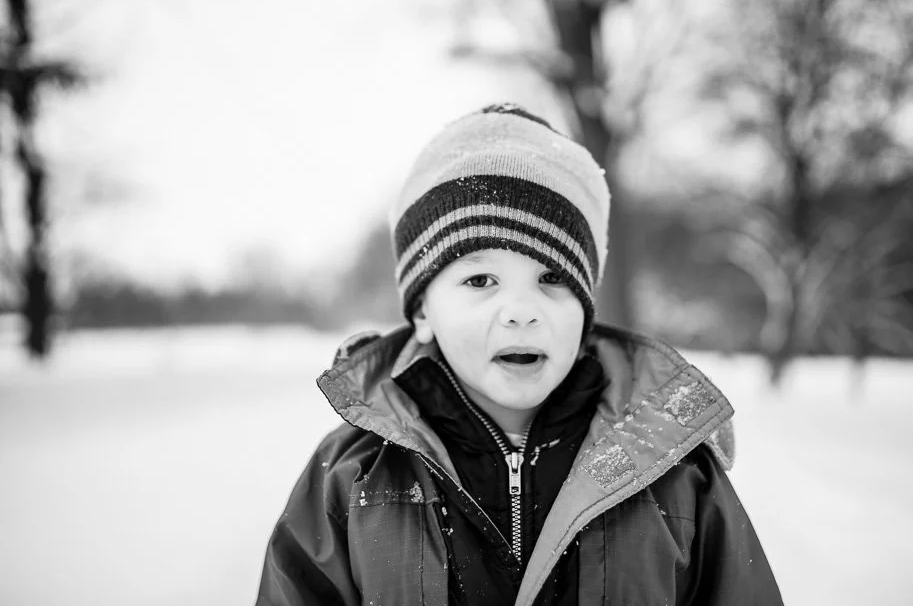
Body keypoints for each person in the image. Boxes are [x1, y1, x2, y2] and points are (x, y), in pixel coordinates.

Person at [256, 103, 783, 606]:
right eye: (480, 279)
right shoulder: (354, 475)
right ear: (421, 312)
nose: (521, 311)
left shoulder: (674, 474)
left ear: (585, 308)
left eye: (552, 278)